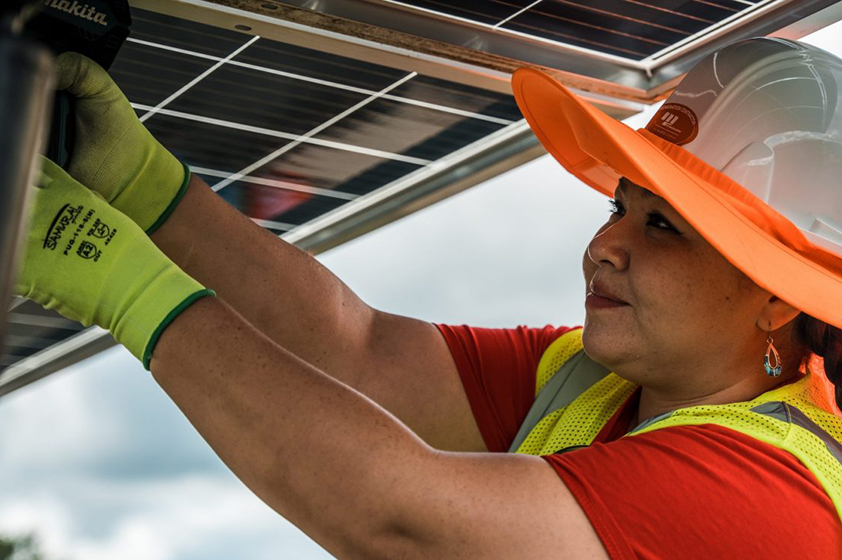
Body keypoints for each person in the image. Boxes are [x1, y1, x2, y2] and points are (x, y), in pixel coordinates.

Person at [13, 36, 842, 558]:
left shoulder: (768, 498)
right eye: (617, 207)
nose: (603, 247)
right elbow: (357, 348)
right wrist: (142, 184)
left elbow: (401, 522)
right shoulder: (596, 379)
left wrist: (120, 282)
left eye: (665, 229)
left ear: (775, 296)